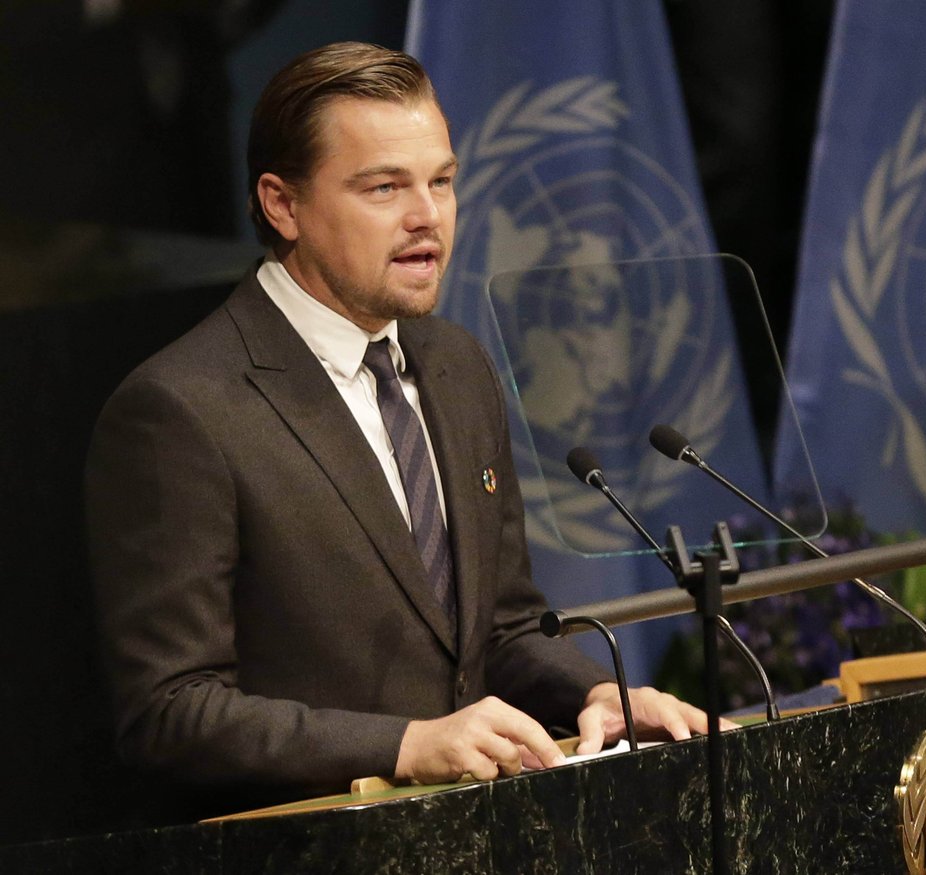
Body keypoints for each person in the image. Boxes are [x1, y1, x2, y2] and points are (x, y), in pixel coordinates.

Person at [85, 41, 710, 813]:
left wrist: (603, 691)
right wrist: (404, 744)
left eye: (442, 181)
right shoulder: (182, 410)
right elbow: (169, 710)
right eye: (384, 187)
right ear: (283, 204)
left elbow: (501, 627)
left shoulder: (456, 364)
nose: (427, 217)